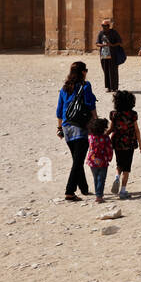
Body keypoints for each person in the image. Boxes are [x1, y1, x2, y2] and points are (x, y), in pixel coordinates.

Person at [56, 61, 97, 201]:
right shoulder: (85, 86)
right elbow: (90, 104)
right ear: (82, 72)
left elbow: (59, 110)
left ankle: (84, 189)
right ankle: (69, 191)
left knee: (77, 159)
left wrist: (59, 128)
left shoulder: (64, 88)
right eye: (85, 70)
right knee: (78, 162)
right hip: (80, 126)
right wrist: (95, 122)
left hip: (67, 127)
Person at [107, 90, 141, 200]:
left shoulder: (114, 114)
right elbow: (136, 130)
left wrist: (102, 136)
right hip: (130, 142)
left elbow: (111, 129)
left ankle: (117, 176)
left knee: (119, 163)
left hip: (117, 142)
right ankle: (123, 190)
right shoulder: (132, 114)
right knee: (127, 166)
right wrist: (140, 143)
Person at [85, 117, 113, 203]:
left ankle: (98, 193)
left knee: (96, 178)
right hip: (103, 161)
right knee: (101, 178)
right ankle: (99, 195)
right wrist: (109, 158)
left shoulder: (90, 137)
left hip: (92, 161)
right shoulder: (105, 138)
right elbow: (109, 149)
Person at [95, 18, 125, 92]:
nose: (103, 27)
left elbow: (120, 42)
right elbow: (97, 43)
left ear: (108, 26)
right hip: (104, 56)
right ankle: (108, 87)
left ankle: (114, 87)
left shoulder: (114, 33)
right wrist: (102, 45)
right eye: (102, 25)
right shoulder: (101, 33)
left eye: (105, 26)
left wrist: (112, 45)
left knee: (113, 71)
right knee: (106, 71)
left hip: (113, 55)